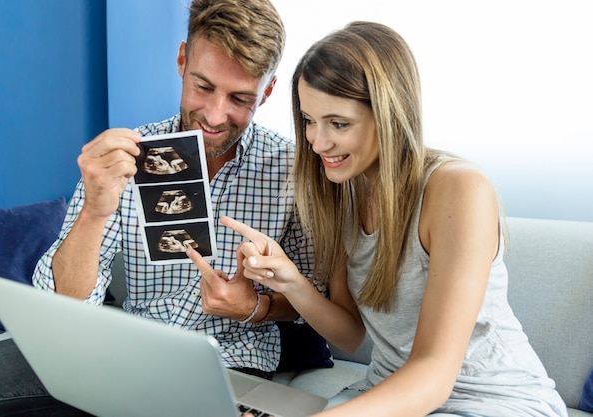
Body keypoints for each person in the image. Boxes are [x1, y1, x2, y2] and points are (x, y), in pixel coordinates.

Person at [0, 0, 321, 415]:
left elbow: (316, 301)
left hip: (232, 363)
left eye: (241, 97)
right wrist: (94, 211)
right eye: (203, 86)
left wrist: (255, 308)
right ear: (182, 60)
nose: (214, 114)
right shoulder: (125, 158)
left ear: (269, 90)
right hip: (126, 355)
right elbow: (64, 303)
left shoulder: (295, 172)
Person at [215, 21, 568, 417]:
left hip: (492, 401)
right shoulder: (340, 192)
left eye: (339, 123)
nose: (317, 142)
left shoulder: (459, 189)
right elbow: (350, 334)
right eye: (309, 120)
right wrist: (289, 280)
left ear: (389, 112)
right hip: (386, 390)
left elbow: (435, 373)